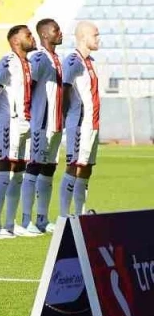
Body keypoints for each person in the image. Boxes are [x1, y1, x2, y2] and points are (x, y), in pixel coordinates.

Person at [0, 24, 36, 239]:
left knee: (19, 173)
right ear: (16, 40)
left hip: (25, 123)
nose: (32, 37)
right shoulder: (8, 61)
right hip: (9, 122)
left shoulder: (26, 63)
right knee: (5, 171)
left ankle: (10, 223)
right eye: (28, 35)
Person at [24, 18, 65, 234]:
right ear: (45, 34)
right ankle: (24, 220)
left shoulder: (56, 58)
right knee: (34, 167)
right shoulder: (39, 58)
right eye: (56, 30)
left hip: (55, 125)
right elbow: (28, 87)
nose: (60, 33)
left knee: (49, 169)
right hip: (41, 123)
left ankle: (42, 218)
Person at [60, 21, 101, 219]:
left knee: (86, 168)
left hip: (93, 124)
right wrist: (65, 117)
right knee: (73, 165)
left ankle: (80, 213)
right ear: (84, 37)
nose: (98, 39)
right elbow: (64, 89)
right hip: (80, 123)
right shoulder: (72, 61)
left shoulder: (90, 61)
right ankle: (64, 215)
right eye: (96, 35)